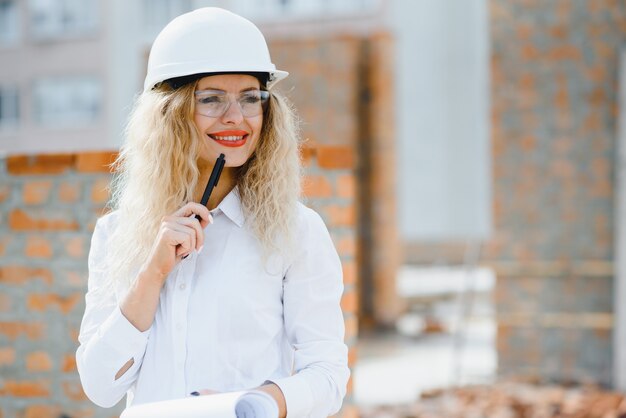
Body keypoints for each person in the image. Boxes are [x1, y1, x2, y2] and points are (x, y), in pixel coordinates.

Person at [76, 7, 349, 418]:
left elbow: (328, 375)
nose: (235, 117)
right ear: (171, 113)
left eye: (250, 98)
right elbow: (99, 387)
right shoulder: (117, 233)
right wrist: (153, 272)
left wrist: (255, 404)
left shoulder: (297, 231)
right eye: (212, 99)